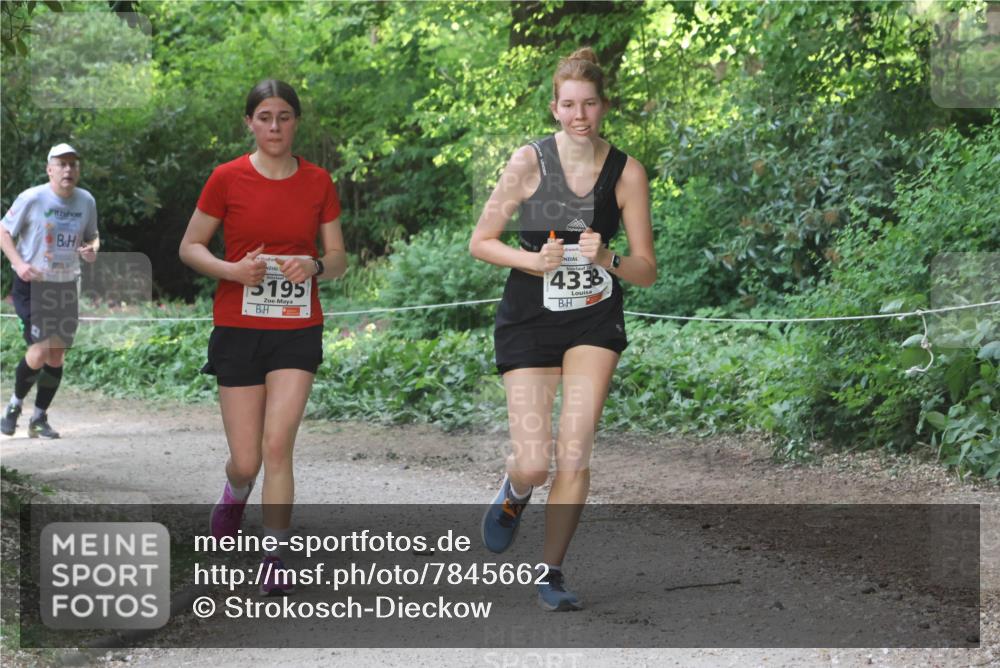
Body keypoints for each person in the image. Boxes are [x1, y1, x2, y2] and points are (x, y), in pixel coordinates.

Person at [470, 48, 656, 611]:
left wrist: (609, 259)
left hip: (594, 318)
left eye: (590, 104)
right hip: (529, 320)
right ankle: (516, 489)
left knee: (574, 455)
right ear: (555, 108)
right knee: (535, 461)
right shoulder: (529, 163)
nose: (580, 114)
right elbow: (482, 241)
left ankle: (550, 572)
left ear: (603, 107)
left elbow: (645, 271)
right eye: (569, 104)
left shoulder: (627, 172)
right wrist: (532, 262)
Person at [179, 79, 346, 596]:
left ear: (297, 122)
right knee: (247, 459)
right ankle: (234, 492)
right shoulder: (226, 178)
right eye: (265, 117)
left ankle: (275, 553)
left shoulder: (318, 181)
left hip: (297, 328)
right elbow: (190, 247)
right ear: (249, 123)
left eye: (285, 117)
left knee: (278, 446)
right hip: (237, 328)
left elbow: (338, 259)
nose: (275, 127)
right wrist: (232, 271)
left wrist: (314, 263)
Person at [1, 144, 99, 439]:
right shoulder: (32, 198)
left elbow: (93, 236)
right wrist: (18, 264)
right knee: (40, 348)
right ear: (50, 170)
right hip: (34, 284)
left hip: (66, 284)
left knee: (56, 355)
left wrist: (92, 250)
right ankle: (13, 407)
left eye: (73, 164)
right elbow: (4, 231)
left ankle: (39, 418)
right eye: (62, 164)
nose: (68, 169)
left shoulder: (86, 201)